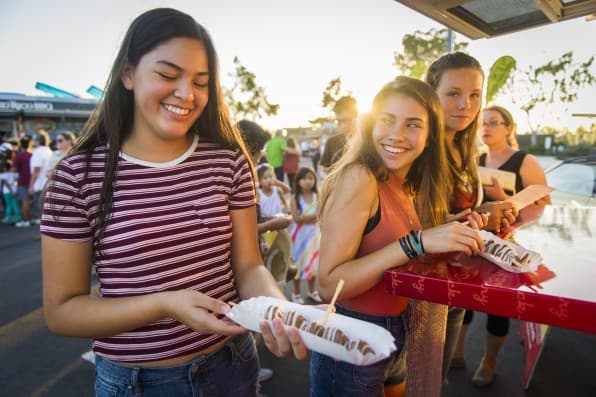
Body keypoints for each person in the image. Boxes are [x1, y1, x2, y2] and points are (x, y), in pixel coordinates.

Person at [40, 8, 307, 396]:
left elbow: (249, 266)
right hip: (136, 383)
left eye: (201, 82)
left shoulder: (229, 160)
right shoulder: (78, 176)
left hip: (232, 365)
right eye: (168, 75)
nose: (187, 94)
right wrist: (164, 303)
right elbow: (61, 311)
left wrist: (279, 310)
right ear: (128, 74)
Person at [312, 76, 485, 397]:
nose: (396, 135)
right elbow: (328, 285)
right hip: (355, 339)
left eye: (413, 125)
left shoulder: (407, 181)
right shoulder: (359, 177)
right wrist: (416, 242)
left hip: (400, 330)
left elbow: (388, 231)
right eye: (387, 121)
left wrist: (452, 227)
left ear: (430, 137)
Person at [424, 52, 518, 386]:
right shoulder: (419, 147)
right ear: (430, 94)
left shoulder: (464, 147)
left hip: (456, 286)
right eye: (453, 93)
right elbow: (410, 227)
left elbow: (457, 215)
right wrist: (479, 217)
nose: (466, 104)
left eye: (475, 95)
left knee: (438, 379)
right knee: (419, 382)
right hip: (421, 293)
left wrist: (492, 212)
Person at [454, 105, 549, 387]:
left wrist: (504, 198)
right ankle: (456, 351)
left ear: (508, 127)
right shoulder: (476, 159)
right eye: (483, 122)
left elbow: (545, 205)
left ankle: (489, 361)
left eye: (494, 122)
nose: (487, 127)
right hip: (477, 239)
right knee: (464, 300)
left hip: (510, 245)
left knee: (497, 305)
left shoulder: (524, 161)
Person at [289, 167, 322, 304]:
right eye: (304, 178)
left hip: (314, 236)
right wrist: (311, 218)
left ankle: (311, 291)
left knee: (313, 263)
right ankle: (296, 293)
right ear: (298, 181)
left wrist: (305, 218)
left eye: (311, 178)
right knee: (298, 264)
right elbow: (296, 218)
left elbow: (320, 216)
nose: (308, 181)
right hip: (299, 237)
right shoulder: (294, 198)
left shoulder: (318, 197)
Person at [320, 96, 357, 173]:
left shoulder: (369, 140)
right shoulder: (331, 142)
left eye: (347, 120)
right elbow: (325, 168)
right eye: (339, 121)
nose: (342, 125)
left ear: (357, 116)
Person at [29, 130, 54, 225]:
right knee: (46, 212)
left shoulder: (38, 152)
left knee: (40, 212)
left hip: (39, 185)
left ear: (38, 141)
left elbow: (36, 170)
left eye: (34, 140)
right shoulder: (49, 151)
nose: (32, 141)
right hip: (47, 183)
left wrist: (31, 185)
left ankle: (42, 234)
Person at [13, 135, 32, 228]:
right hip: (31, 181)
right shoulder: (32, 155)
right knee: (28, 202)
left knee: (24, 202)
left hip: (22, 181)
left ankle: (25, 220)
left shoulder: (18, 156)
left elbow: (14, 169)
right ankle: (28, 219)